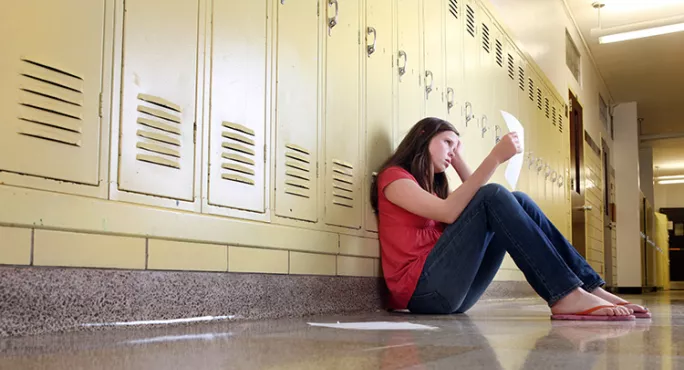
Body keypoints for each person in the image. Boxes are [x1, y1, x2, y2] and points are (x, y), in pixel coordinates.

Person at [370, 117, 651, 321]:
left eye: (456, 147)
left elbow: (477, 201)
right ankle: (565, 294)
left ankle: (587, 286)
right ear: (422, 135)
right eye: (447, 143)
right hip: (422, 293)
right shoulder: (394, 178)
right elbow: (452, 211)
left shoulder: (434, 188)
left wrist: (457, 160)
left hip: (452, 294)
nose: (452, 151)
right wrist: (494, 157)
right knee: (494, 195)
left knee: (519, 201)